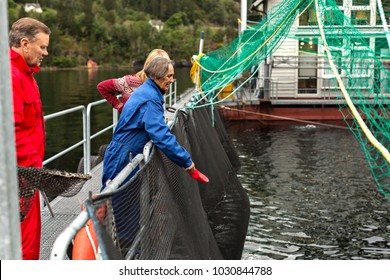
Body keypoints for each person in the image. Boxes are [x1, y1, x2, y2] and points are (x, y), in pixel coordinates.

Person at [101, 57, 196, 253]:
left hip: (124, 151)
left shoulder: (148, 91)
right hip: (123, 156)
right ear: (156, 76)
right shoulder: (150, 98)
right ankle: (124, 254)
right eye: (169, 76)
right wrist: (186, 161)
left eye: (172, 76)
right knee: (121, 208)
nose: (171, 80)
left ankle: (121, 248)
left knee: (123, 205)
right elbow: (160, 135)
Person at [9, 17, 51, 260]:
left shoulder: (26, 74)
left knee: (30, 240)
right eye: (42, 47)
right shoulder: (12, 76)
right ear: (25, 44)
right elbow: (10, 132)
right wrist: (34, 168)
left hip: (28, 175)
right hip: (21, 178)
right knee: (24, 246)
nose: (45, 52)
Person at [97, 49, 170, 113]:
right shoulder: (130, 81)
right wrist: (120, 107)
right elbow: (102, 87)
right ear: (149, 65)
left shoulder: (161, 84)